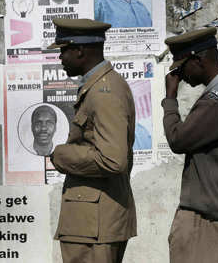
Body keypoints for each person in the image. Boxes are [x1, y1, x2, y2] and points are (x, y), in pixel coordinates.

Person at [48, 18, 136, 263]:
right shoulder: (100, 85)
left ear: (79, 50)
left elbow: (113, 160)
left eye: (63, 50)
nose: (60, 58)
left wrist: (62, 156)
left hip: (94, 224)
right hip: (93, 219)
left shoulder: (103, 91)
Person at [162, 27, 218, 262]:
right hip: (213, 219)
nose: (181, 75)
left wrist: (170, 98)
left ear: (199, 59)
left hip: (203, 221)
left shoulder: (217, 101)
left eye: (182, 67)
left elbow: (177, 138)